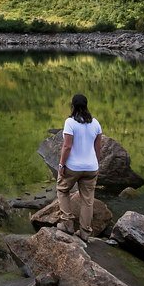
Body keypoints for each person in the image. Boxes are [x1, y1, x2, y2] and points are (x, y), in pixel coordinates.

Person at [56, 93, 103, 242]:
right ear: (86, 106)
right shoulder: (95, 123)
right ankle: (85, 233)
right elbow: (98, 149)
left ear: (73, 106)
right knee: (87, 200)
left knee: (62, 190)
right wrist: (96, 165)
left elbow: (67, 146)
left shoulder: (70, 122)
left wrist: (61, 164)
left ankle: (67, 224)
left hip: (73, 166)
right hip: (91, 167)